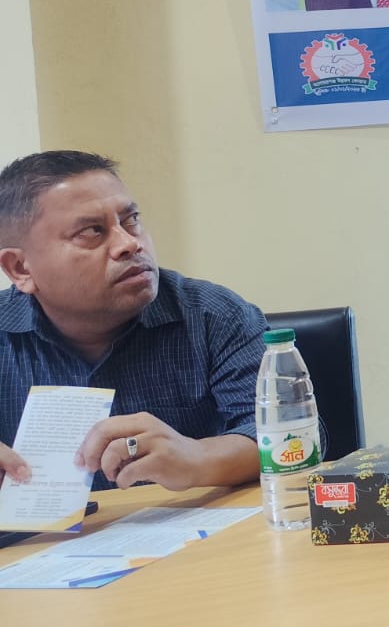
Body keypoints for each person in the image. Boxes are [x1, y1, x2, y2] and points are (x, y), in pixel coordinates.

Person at [0, 151, 266, 491]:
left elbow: (291, 437)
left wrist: (198, 456)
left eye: (131, 220)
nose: (129, 244)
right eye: (92, 231)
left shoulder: (214, 316)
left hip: (196, 523)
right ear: (20, 268)